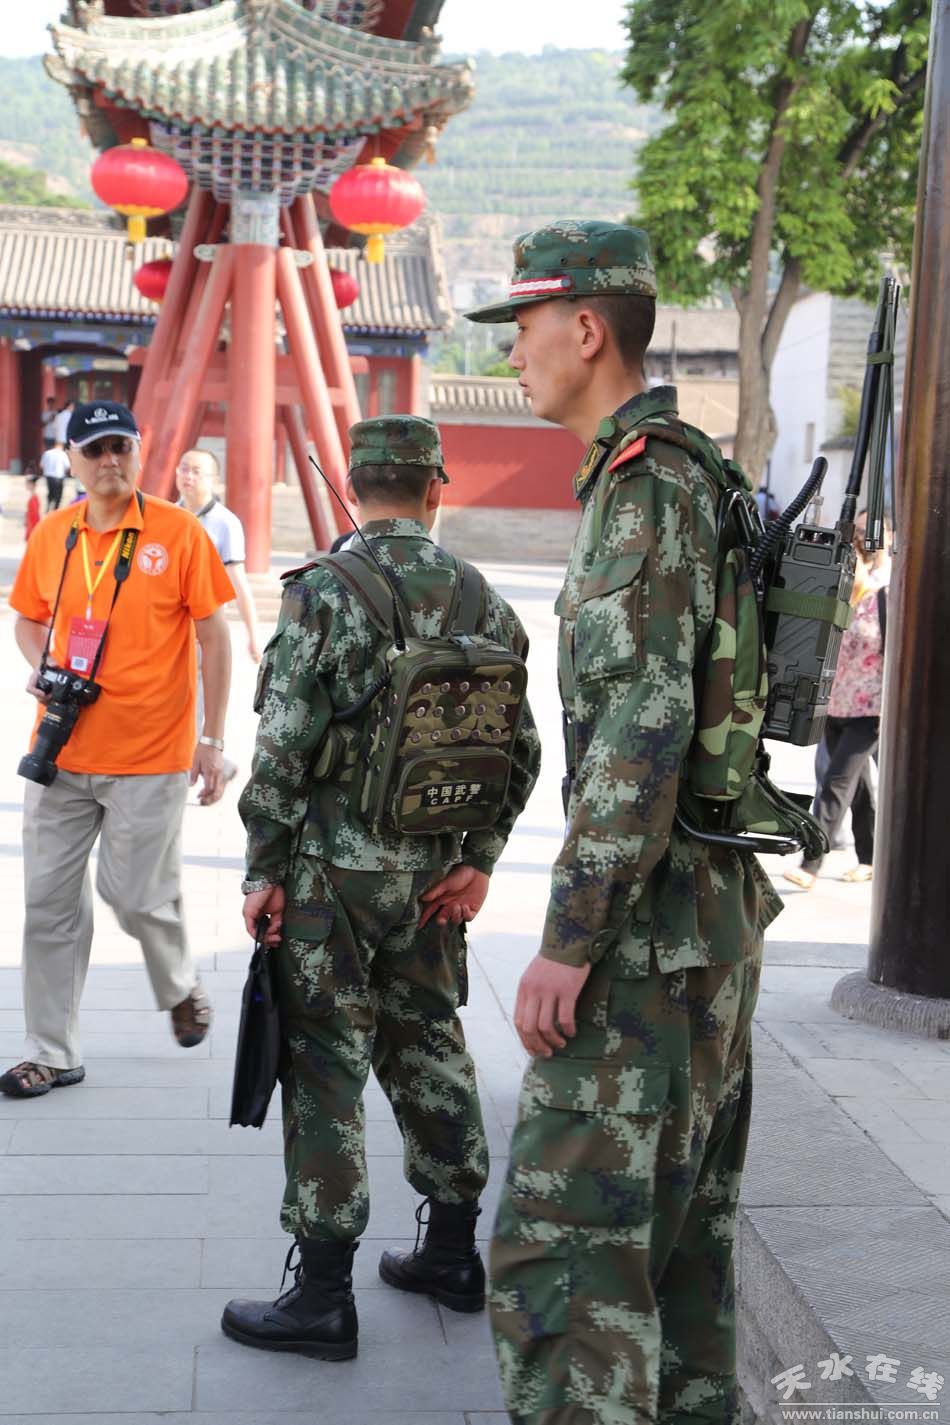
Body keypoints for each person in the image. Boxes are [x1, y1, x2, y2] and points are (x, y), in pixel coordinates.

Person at [465, 221, 783, 1425]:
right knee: (677, 1264)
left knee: (566, 1266)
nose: (513, 356)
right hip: (703, 922)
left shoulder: (644, 487)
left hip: (646, 943)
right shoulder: (693, 473)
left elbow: (642, 733)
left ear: (585, 328)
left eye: (524, 328)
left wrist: (568, 941)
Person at [221, 414, 542, 1360]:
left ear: (354, 486)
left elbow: (284, 743)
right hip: (434, 877)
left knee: (326, 1063)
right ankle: (451, 1253)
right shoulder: (485, 600)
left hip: (334, 878)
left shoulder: (324, 590)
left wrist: (264, 868)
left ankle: (323, 1294)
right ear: (437, 488)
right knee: (429, 1040)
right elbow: (521, 750)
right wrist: (479, 856)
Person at [0, 400, 235, 1101]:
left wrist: (212, 740)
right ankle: (51, 1050)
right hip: (61, 751)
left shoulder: (177, 531)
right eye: (95, 449)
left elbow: (215, 634)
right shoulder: (54, 534)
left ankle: (179, 983)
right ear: (71, 459)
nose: (110, 461)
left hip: (151, 754)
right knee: (48, 906)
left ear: (139, 451)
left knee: (133, 894)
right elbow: (27, 619)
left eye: (120, 447)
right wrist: (44, 665)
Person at [784, 510, 890, 889]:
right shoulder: (843, 595)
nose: (856, 543)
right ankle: (870, 859)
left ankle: (811, 863)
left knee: (836, 782)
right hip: (835, 704)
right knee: (857, 788)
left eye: (863, 535)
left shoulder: (885, 596)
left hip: (870, 710)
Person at [175, 448, 263, 663]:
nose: (188, 476)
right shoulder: (168, 517)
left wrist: (253, 635)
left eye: (196, 471)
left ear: (213, 480)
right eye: (184, 469)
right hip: (169, 626)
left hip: (204, 628)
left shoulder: (225, 523)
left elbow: (237, 579)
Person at [39, 441, 70, 512]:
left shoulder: (47, 453)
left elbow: (41, 465)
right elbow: (67, 466)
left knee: (50, 492)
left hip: (49, 476)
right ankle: (56, 509)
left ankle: (48, 506)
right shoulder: (63, 454)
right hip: (59, 476)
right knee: (58, 494)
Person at [24, 472, 41, 540]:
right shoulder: (33, 497)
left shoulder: (34, 499)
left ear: (32, 485)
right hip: (30, 524)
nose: (26, 485)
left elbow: (35, 515)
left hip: (32, 525)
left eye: (27, 483)